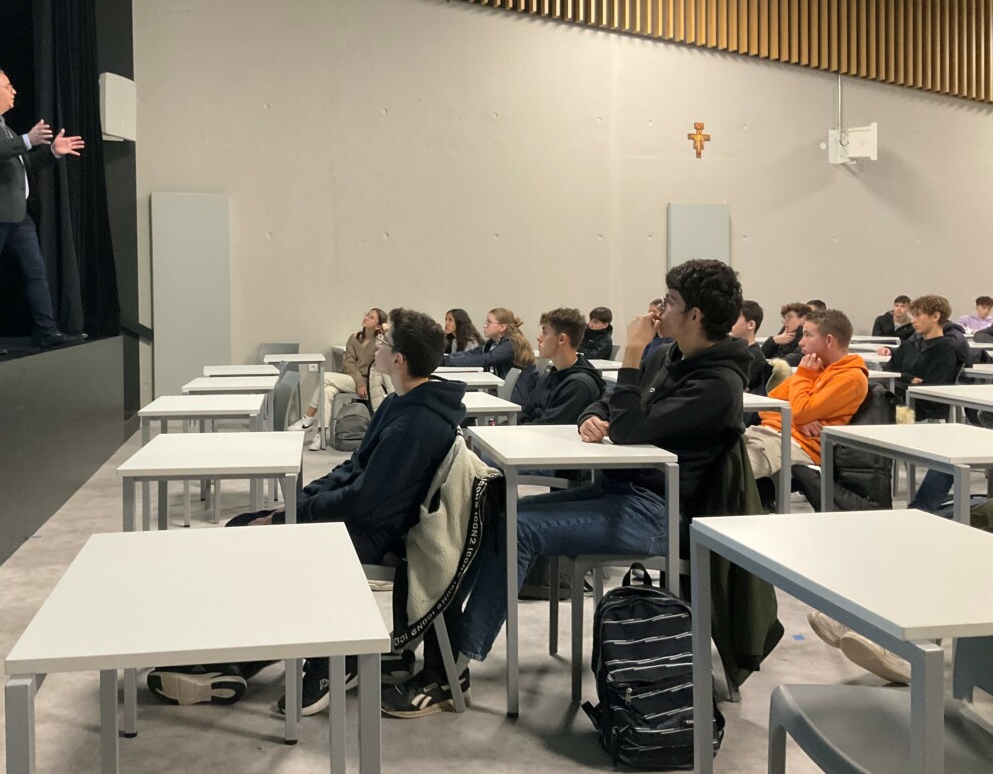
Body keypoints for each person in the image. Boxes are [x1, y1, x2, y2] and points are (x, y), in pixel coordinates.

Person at [381, 261, 750, 717]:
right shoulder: (669, 357)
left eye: (669, 301)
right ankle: (437, 645)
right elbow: (606, 397)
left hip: (659, 513)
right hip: (621, 490)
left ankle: (450, 672)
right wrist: (590, 416)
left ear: (695, 316)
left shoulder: (718, 383)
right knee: (496, 512)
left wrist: (633, 354)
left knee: (521, 529)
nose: (658, 309)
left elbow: (633, 426)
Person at [151, 308, 466, 714]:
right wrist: (297, 505)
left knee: (258, 537)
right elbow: (352, 470)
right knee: (241, 525)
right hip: (366, 518)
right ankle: (239, 654)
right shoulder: (400, 404)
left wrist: (292, 516)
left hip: (378, 533)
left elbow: (363, 500)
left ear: (399, 360)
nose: (379, 347)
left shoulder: (415, 423)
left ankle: (326, 661)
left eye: (385, 343)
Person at [0, 67, 87, 356]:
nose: (13, 91)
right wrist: (27, 140)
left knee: (36, 272)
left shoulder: (6, 128)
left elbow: (23, 165)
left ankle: (48, 332)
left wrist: (52, 152)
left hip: (17, 215)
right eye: (8, 85)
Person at [745, 310, 869, 508]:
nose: (801, 342)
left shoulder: (850, 378)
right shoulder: (815, 367)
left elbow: (801, 411)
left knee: (728, 470)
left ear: (829, 340)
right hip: (770, 433)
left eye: (808, 335)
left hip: (797, 445)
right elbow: (770, 404)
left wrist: (802, 382)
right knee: (710, 451)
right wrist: (800, 418)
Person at [880, 296, 969, 513]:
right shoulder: (910, 344)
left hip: (919, 410)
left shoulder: (945, 349)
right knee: (873, 408)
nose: (913, 320)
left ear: (936, 316)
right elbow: (888, 372)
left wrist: (902, 379)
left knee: (876, 415)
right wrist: (908, 378)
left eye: (918, 315)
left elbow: (933, 388)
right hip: (901, 401)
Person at [288, 307, 388, 449]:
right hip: (352, 379)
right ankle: (320, 435)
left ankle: (307, 420)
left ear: (378, 325)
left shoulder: (380, 342)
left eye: (371, 317)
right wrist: (358, 382)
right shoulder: (354, 338)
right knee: (327, 390)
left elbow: (394, 346)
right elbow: (348, 364)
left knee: (325, 377)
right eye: (367, 314)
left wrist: (386, 329)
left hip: (368, 383)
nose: (366, 317)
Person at [518, 308, 605, 425]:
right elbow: (525, 412)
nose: (539, 338)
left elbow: (546, 427)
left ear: (561, 339)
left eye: (545, 332)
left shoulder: (578, 385)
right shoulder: (550, 375)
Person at [441, 307, 535, 377]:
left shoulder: (511, 345)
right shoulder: (492, 343)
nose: (485, 326)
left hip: (516, 396)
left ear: (502, 327)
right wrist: (444, 359)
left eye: (489, 322)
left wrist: (445, 362)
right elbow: (472, 353)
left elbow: (484, 359)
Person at [731, 299, 768, 395]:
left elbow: (735, 387)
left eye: (735, 318)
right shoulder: (733, 352)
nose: (730, 322)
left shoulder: (754, 357)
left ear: (750, 325)